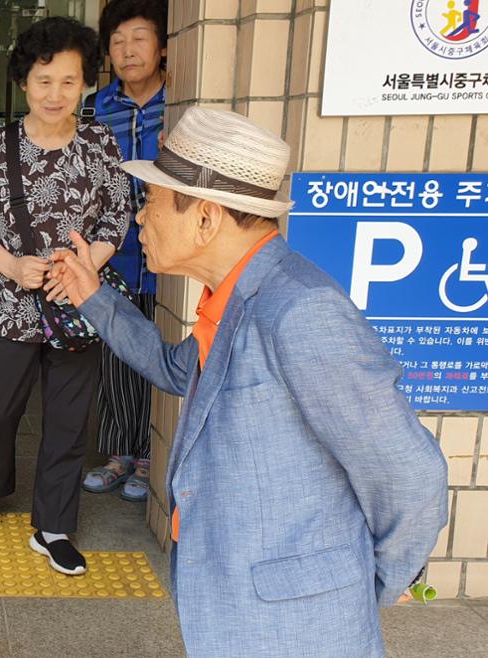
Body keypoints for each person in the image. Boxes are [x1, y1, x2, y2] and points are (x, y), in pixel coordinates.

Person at [45, 107, 448, 657]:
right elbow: (173, 369)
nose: (140, 219)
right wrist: (93, 293)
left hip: (295, 627)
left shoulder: (299, 310)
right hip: (240, 608)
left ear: (206, 219)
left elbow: (409, 471)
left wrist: (363, 584)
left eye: (153, 202)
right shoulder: (236, 298)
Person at [0, 17, 132, 576]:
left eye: (69, 81)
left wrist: (83, 268)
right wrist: (11, 264)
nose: (56, 94)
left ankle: (53, 525)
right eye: (43, 80)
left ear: (84, 84)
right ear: (23, 83)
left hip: (78, 305)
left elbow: (115, 217)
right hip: (9, 306)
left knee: (68, 418)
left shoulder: (101, 142)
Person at [80, 0, 168, 503]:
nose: (127, 50)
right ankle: (119, 453)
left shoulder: (180, 103)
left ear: (160, 45)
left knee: (158, 354)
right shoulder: (96, 108)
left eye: (139, 37)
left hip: (167, 258)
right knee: (116, 355)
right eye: (117, 41)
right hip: (111, 257)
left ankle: (152, 453)